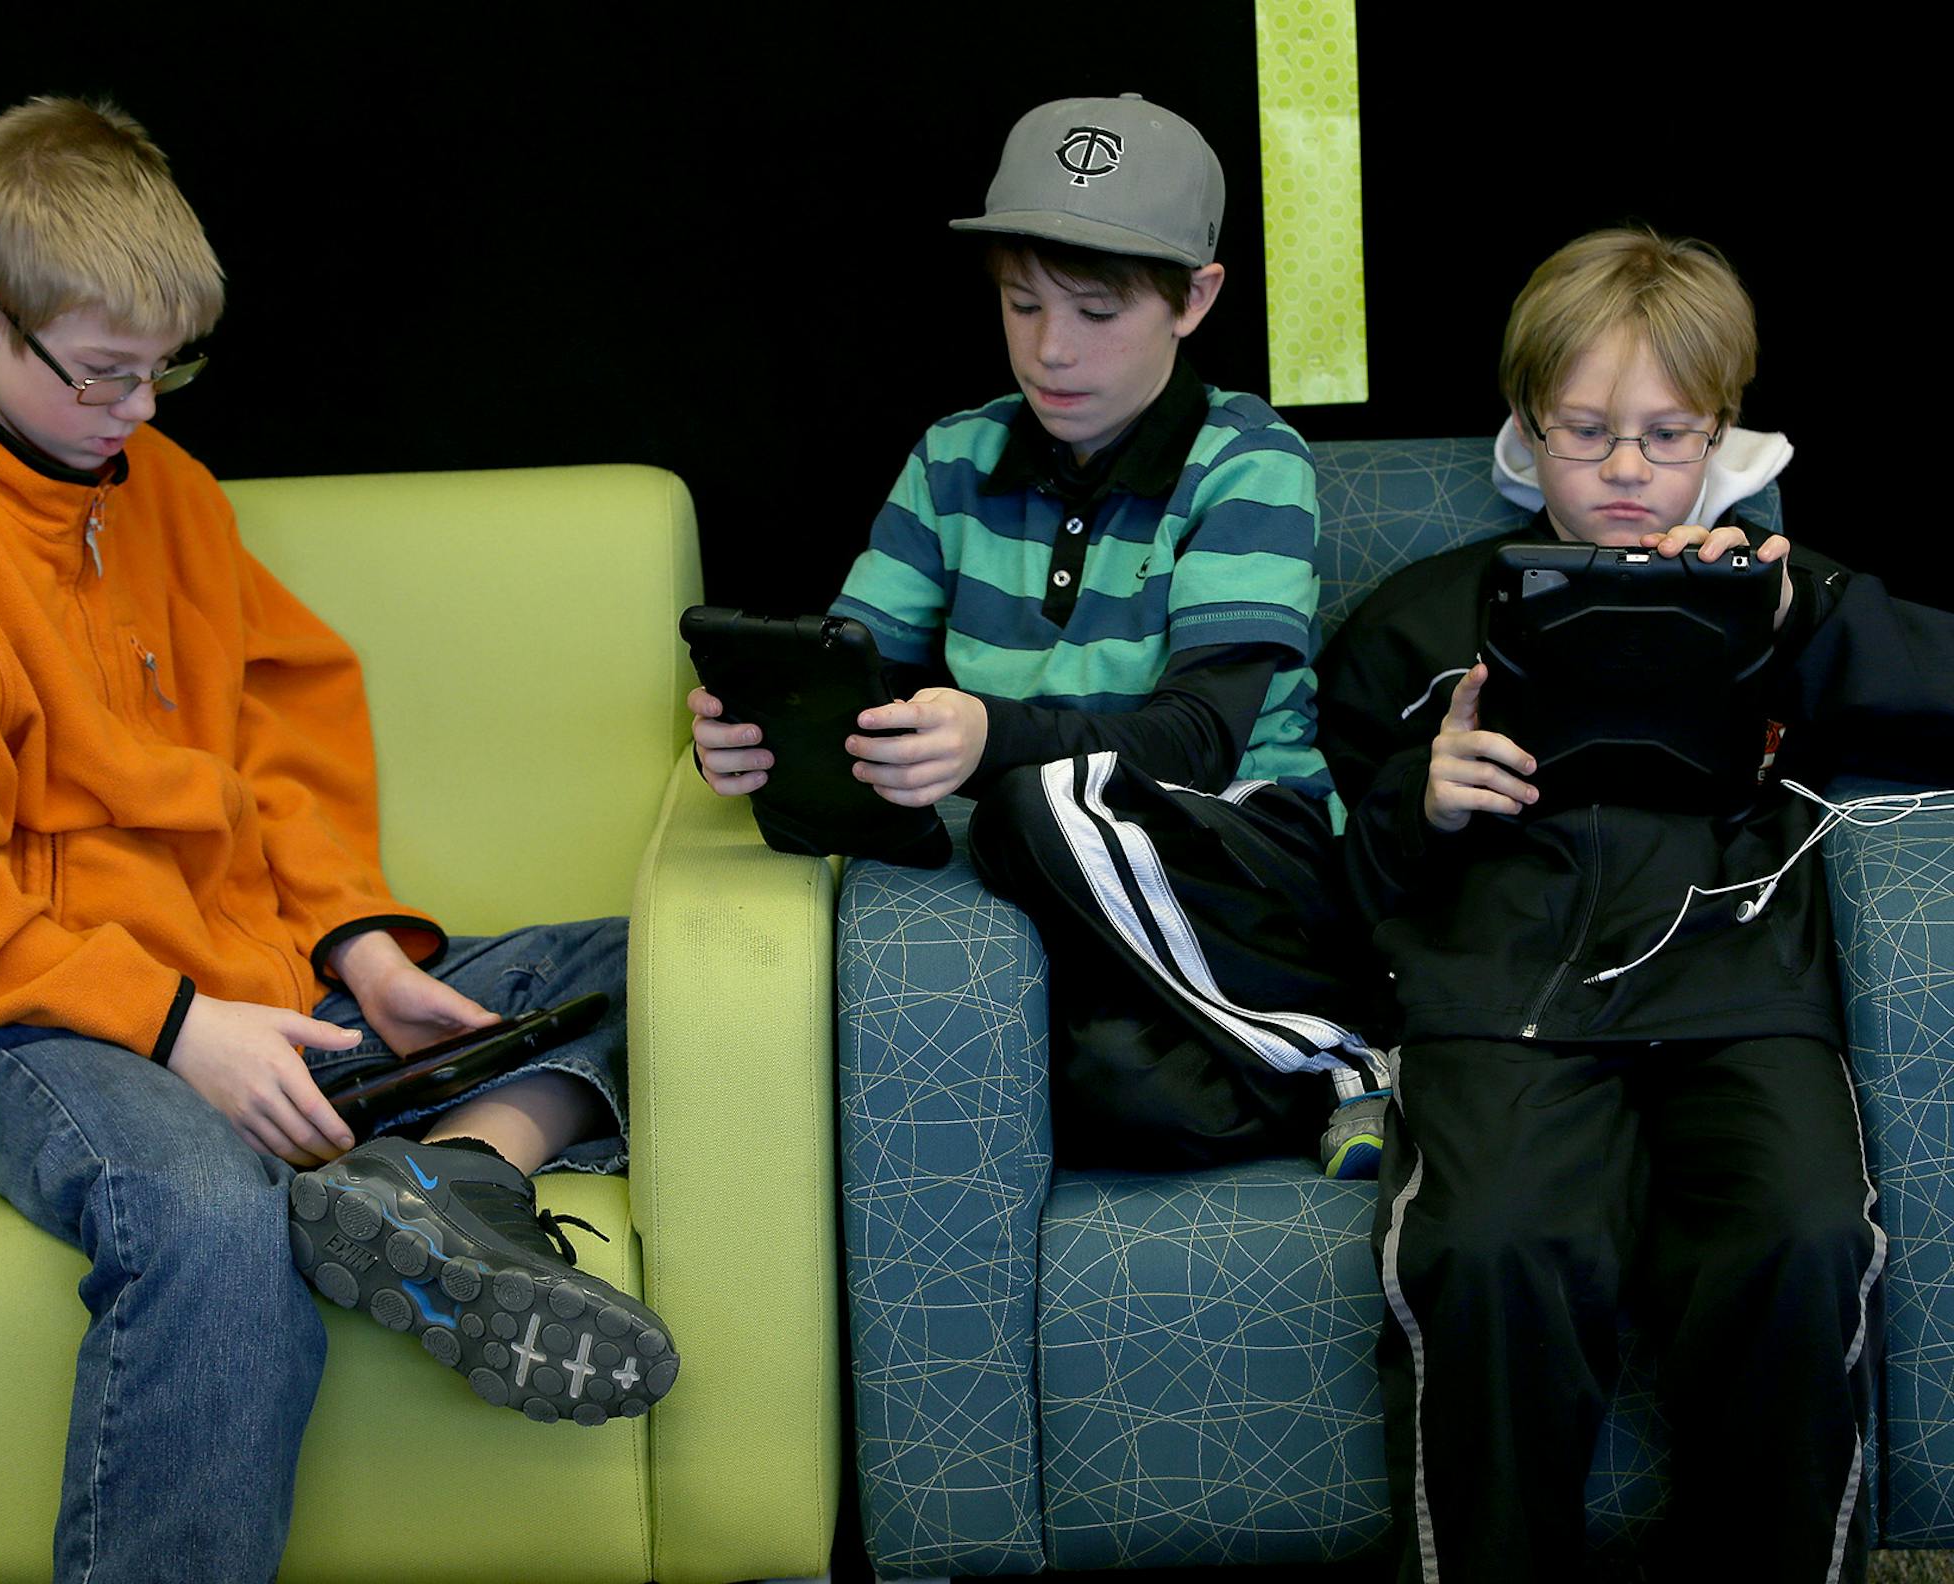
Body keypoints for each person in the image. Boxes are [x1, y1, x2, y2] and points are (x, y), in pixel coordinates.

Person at [0, 96, 674, 1583]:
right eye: (107, 375)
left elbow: (278, 743)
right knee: (207, 1218)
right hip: (22, 1025)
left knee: (638, 970)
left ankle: (439, 1179)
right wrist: (179, 1026)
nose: (142, 411)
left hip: (254, 980)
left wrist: (360, 950)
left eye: (167, 371)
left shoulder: (169, 496)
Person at [1316, 226, 1954, 1581]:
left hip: (1741, 1002)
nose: (1620, 469)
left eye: (1663, 437)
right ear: (1524, 430)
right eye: (1584, 431)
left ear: (1719, 438)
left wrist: (1800, 626)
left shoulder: (1786, 593)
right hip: (1507, 1010)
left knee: (1804, 1237)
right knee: (1489, 1251)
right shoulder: (1417, 626)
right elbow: (1330, 884)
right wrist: (1417, 803)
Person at [690, 94, 1384, 1175]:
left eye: (1097, 313)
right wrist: (767, 728)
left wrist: (984, 742)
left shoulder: (1251, 459)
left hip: (1248, 858)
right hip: (1072, 883)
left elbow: (1198, 743)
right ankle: (1320, 1063)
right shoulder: (954, 457)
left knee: (1031, 802)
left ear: (1193, 300)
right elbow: (845, 662)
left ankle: (1352, 1025)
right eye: (1022, 306)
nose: (1051, 350)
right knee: (1109, 1086)